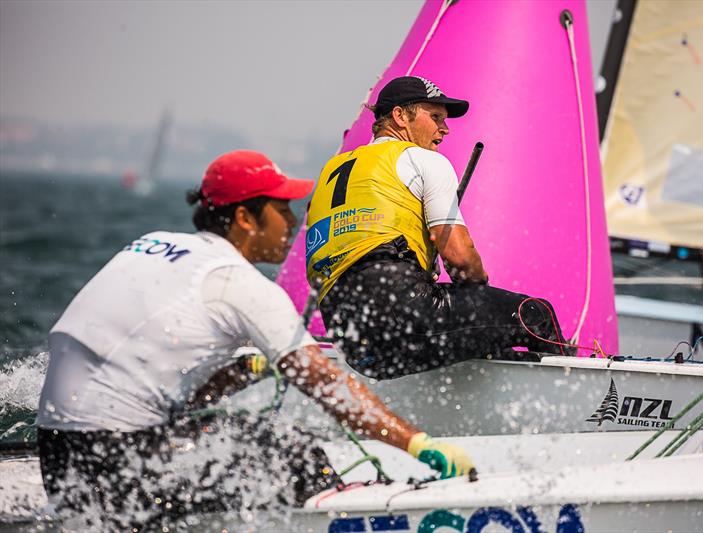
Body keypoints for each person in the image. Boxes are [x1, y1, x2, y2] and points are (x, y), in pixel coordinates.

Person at [36, 149, 474, 530]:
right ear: (245, 218)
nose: (292, 221)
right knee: (292, 451)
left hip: (58, 458)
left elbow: (156, 365)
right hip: (121, 464)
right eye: (281, 209)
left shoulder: (153, 244)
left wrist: (245, 369)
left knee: (229, 432)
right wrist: (419, 444)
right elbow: (328, 387)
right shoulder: (243, 286)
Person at [306, 76, 569, 381]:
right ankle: (578, 396)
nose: (444, 129)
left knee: (475, 336)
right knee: (532, 313)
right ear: (400, 116)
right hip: (403, 309)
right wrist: (473, 281)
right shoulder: (423, 160)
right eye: (435, 117)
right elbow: (460, 257)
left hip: (346, 330)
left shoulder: (330, 169)